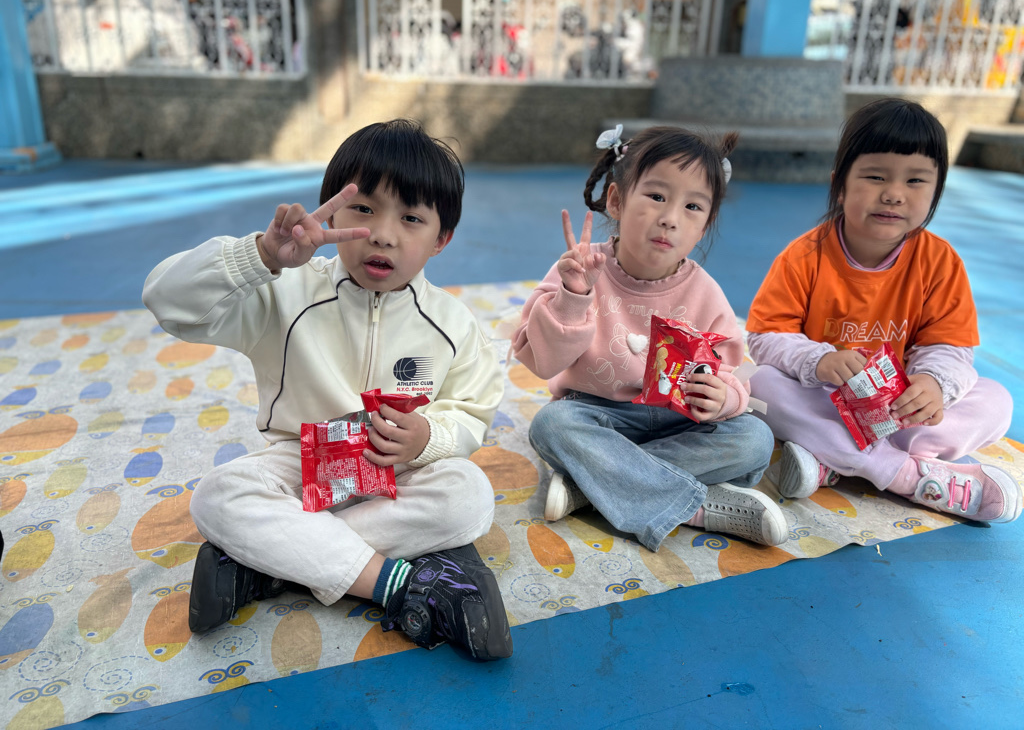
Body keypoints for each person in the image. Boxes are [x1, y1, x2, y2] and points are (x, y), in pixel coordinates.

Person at [142, 119, 513, 660]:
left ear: (441, 239)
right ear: (331, 213)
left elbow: (472, 411)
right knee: (219, 495)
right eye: (363, 208)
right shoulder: (285, 291)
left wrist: (427, 437)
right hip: (300, 464)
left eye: (411, 218)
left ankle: (267, 564)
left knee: (470, 494)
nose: (383, 234)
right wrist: (260, 258)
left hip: (397, 470)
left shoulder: (452, 324)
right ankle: (397, 583)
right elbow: (166, 300)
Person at [511, 124, 785, 552]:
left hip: (680, 424)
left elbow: (731, 370)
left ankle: (591, 485)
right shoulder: (581, 270)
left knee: (755, 439)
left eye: (692, 207)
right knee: (552, 426)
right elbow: (541, 362)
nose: (670, 218)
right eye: (657, 196)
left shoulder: (706, 291)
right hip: (600, 417)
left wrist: (724, 398)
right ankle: (694, 506)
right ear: (616, 201)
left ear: (704, 226)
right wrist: (574, 298)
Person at [745, 98, 1020, 523]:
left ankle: (835, 459)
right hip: (827, 401)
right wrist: (818, 361)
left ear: (936, 192)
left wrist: (933, 384)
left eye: (915, 180)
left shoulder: (940, 262)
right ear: (840, 185)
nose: (893, 194)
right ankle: (905, 474)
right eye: (875, 176)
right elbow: (765, 337)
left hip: (900, 414)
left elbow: (950, 346)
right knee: (760, 386)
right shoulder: (803, 256)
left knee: (997, 401)